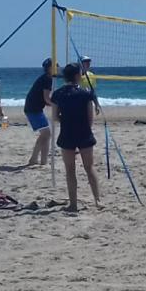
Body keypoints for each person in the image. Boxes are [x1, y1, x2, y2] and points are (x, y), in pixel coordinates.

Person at [51, 63, 101, 212]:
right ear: (78, 76)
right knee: (89, 168)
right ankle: (97, 200)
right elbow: (90, 118)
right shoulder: (85, 94)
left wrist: (66, 121)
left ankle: (73, 204)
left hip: (67, 133)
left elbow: (54, 117)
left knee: (70, 170)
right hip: (84, 133)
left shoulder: (58, 94)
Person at [24, 58, 54, 167]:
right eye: (55, 65)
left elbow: (44, 99)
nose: (58, 67)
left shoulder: (46, 78)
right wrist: (56, 105)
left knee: (46, 134)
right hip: (33, 109)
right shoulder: (47, 79)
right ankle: (33, 158)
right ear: (50, 67)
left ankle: (43, 161)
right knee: (46, 134)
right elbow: (46, 98)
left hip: (34, 107)